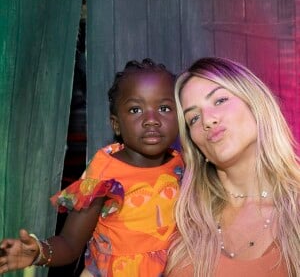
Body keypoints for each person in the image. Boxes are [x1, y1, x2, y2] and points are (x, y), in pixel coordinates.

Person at [0, 58, 184, 277]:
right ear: (116, 124)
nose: (151, 120)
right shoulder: (105, 176)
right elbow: (70, 243)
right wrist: (39, 252)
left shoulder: (182, 166)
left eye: (164, 108)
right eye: (135, 110)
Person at [166, 57, 300, 277]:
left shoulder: (295, 211)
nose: (207, 120)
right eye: (194, 118)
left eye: (219, 101)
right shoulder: (180, 216)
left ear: (256, 105)